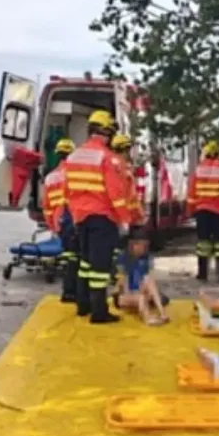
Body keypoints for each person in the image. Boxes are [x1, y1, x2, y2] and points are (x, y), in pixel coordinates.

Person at [64, 110, 131, 323]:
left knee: (85, 262)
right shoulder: (108, 158)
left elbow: (68, 191)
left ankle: (82, 305)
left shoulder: (74, 156)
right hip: (102, 218)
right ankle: (99, 312)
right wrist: (124, 220)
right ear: (105, 132)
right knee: (100, 268)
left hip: (81, 217)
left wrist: (76, 215)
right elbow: (115, 194)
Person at [187, 140, 219, 284]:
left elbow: (192, 194)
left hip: (202, 211)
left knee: (203, 243)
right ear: (217, 154)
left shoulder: (198, 169)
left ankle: (202, 274)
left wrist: (190, 211)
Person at [38, 138, 77, 303]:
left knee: (68, 257)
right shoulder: (75, 175)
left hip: (58, 221)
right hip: (74, 219)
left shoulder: (50, 177)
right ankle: (76, 292)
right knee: (78, 258)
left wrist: (52, 224)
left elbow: (46, 205)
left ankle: (68, 291)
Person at [112, 227, 170, 326]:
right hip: (124, 294)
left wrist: (146, 290)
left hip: (139, 290)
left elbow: (146, 278)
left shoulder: (144, 258)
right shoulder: (123, 259)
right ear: (134, 245)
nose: (143, 248)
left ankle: (162, 312)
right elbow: (121, 284)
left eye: (145, 246)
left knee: (149, 280)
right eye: (142, 246)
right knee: (141, 298)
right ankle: (148, 320)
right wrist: (137, 292)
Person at [109, 134, 144, 282]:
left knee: (111, 246)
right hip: (123, 214)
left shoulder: (107, 163)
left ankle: (112, 272)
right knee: (121, 246)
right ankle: (118, 274)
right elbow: (131, 197)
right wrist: (137, 215)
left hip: (108, 212)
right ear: (125, 149)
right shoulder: (124, 168)